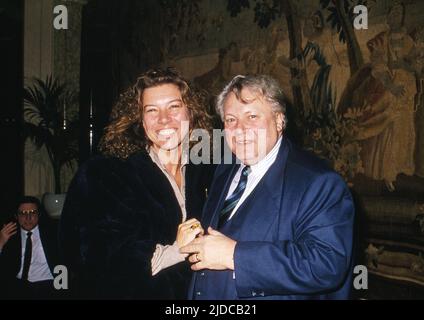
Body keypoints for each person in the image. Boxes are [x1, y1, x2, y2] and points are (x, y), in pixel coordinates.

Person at [180, 74, 355, 300]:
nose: (240, 129)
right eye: (231, 119)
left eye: (252, 116)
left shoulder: (318, 182)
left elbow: (327, 264)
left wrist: (235, 255)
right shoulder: (225, 168)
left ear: (279, 121)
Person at [59, 68, 215, 299]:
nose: (164, 119)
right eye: (151, 110)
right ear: (140, 120)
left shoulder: (208, 170)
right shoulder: (106, 173)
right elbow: (96, 258)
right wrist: (177, 249)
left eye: (174, 106)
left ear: (190, 113)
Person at [0, 196, 59, 299]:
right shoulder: (9, 234)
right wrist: (1, 242)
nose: (28, 218)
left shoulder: (53, 232)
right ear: (16, 216)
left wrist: (63, 287)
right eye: (23, 213)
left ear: (39, 215)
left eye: (32, 212)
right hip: (18, 287)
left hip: (48, 285)